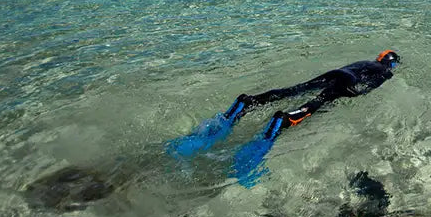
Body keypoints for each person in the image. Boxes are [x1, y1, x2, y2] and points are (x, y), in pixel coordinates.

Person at [168, 50, 401, 185]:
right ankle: (286, 118)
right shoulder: (386, 72)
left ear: (379, 56)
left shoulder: (366, 61)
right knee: (317, 103)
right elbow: (368, 85)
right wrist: (355, 93)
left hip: (339, 72)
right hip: (348, 81)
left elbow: (352, 69)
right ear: (391, 64)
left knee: (294, 90)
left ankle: (248, 102)